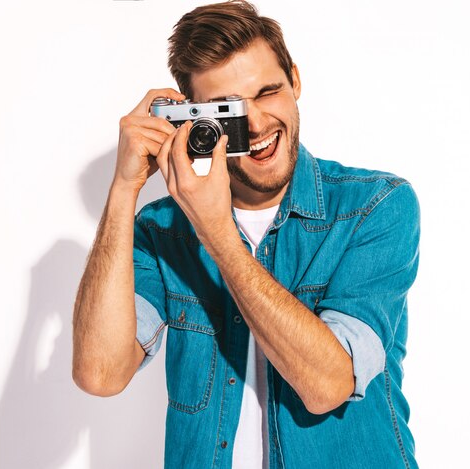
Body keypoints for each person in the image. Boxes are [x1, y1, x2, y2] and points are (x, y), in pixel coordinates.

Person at [72, 1, 420, 468]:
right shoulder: (163, 230)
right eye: (229, 110)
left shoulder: (375, 208)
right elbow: (99, 373)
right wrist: (124, 188)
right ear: (195, 118)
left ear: (295, 81)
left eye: (268, 92)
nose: (255, 124)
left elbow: (328, 385)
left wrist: (215, 231)